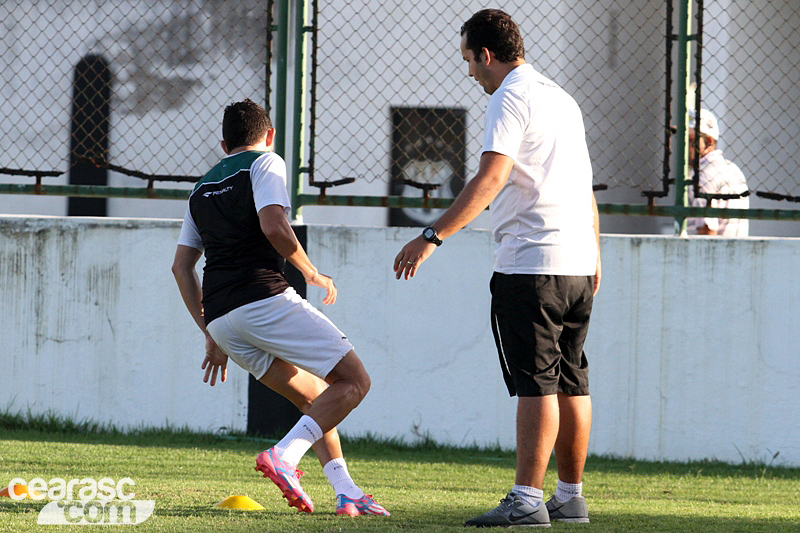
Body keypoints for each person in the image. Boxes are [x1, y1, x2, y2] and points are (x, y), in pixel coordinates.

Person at [394, 9, 600, 528]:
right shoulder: (562, 98)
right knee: (572, 380)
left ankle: (527, 499)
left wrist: (432, 235)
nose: (470, 72)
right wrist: (595, 255)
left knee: (537, 382)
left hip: (532, 264)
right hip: (578, 262)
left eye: (469, 60)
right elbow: (583, 186)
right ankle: (570, 497)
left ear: (487, 54)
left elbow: (491, 177)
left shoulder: (510, 95)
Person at [171, 99, 388, 517]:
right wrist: (311, 271)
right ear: (269, 135)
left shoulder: (200, 189)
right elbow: (274, 224)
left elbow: (181, 267)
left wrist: (209, 333)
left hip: (222, 319)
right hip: (262, 298)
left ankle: (347, 492)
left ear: (223, 145)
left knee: (316, 398)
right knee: (355, 381)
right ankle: (284, 456)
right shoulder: (266, 162)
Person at [687, 108, 750, 236]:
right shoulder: (731, 168)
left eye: (690, 140)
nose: (683, 146)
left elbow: (706, 232)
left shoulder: (703, 176)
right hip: (736, 247)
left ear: (708, 142)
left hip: (713, 248)